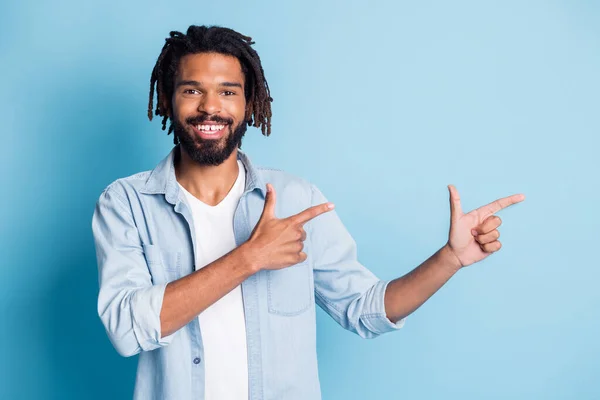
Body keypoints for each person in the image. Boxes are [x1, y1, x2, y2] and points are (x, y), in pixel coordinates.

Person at [91, 25, 525, 400]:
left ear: (248, 104)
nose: (210, 107)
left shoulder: (298, 199)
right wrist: (250, 257)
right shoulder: (126, 203)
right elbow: (127, 328)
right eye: (192, 90)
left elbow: (365, 309)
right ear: (167, 101)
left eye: (228, 91)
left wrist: (450, 259)